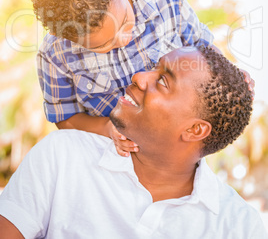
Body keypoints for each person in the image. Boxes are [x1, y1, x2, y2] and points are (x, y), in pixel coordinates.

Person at [0, 46, 266, 238]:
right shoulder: (63, 155)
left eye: (162, 81)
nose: (139, 77)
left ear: (195, 129)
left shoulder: (240, 227)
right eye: (153, 66)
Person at [27, 0, 216, 156]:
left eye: (125, 22)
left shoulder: (168, 2)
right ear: (64, 36)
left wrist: (231, 77)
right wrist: (106, 128)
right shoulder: (55, 54)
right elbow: (65, 117)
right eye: (101, 46)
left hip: (174, 153)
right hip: (106, 156)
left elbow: (207, 55)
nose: (124, 40)